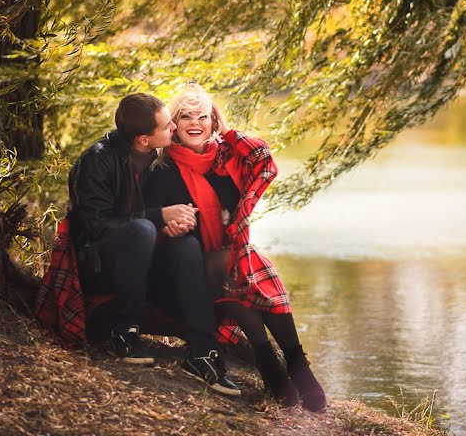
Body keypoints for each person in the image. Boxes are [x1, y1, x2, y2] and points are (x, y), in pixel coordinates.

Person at [144, 84, 327, 412]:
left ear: (214, 122)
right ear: (174, 123)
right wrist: (167, 225)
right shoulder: (161, 167)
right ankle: (288, 366)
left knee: (241, 261)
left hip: (228, 266)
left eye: (203, 116)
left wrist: (228, 132)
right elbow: (149, 221)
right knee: (239, 261)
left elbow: (264, 161)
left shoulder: (224, 159)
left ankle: (282, 363)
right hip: (183, 274)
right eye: (186, 116)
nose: (195, 122)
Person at [67, 92, 239, 395]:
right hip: (100, 264)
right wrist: (158, 216)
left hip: (144, 263)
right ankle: (125, 331)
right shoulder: (97, 161)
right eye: (167, 125)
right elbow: (92, 227)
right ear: (144, 139)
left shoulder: (158, 160)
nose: (174, 127)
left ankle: (201, 350)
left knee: (184, 245)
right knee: (142, 229)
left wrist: (173, 225)